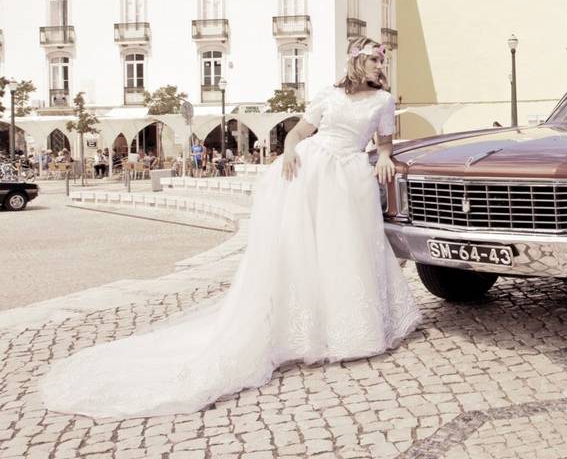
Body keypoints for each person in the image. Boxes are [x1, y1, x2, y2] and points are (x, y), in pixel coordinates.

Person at [40, 36, 422, 417]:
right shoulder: (328, 95)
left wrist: (385, 158)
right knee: (302, 250)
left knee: (347, 251)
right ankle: (304, 330)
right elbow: (296, 134)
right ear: (356, 61)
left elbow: (383, 143)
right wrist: (288, 153)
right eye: (373, 58)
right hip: (310, 169)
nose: (379, 64)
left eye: (381, 59)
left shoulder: (383, 100)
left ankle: (351, 329)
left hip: (348, 177)